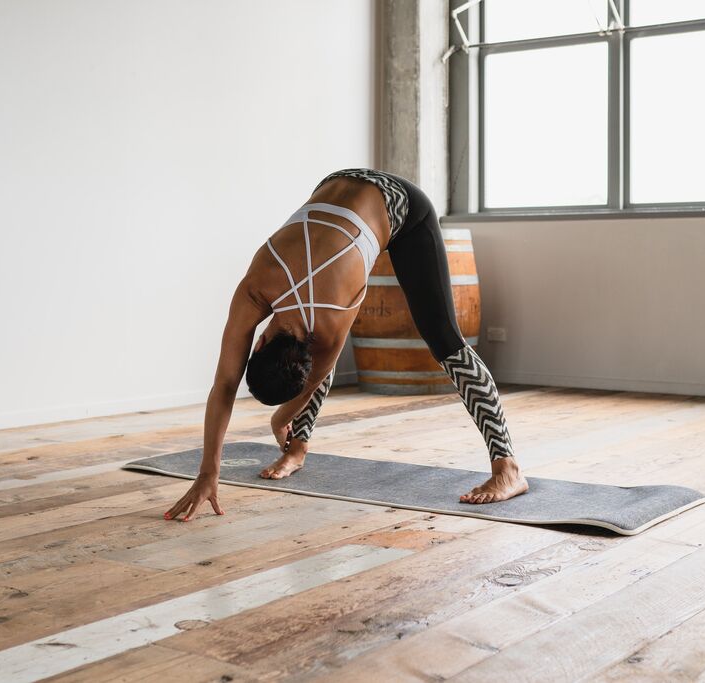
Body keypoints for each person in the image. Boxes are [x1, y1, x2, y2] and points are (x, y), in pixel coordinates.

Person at [164, 169, 527, 522]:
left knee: (446, 340)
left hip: (403, 206)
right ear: (259, 345)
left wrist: (280, 418)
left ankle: (508, 467)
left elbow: (292, 379)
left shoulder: (332, 313)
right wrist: (208, 473)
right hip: (339, 183)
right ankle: (298, 450)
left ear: (257, 343)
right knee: (325, 351)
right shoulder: (256, 288)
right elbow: (230, 384)